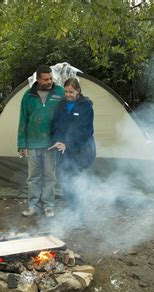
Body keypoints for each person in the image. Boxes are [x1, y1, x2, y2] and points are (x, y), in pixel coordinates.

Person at [17, 65, 64, 217]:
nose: (49, 81)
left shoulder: (60, 92)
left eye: (51, 78)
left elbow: (72, 106)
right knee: (33, 177)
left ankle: (48, 205)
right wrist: (21, 144)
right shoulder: (28, 96)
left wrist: (85, 102)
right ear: (37, 79)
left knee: (50, 176)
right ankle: (33, 205)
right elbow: (23, 120)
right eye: (45, 79)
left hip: (52, 144)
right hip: (33, 143)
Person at [49, 77, 96, 212]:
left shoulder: (86, 106)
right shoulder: (61, 104)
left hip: (82, 151)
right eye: (66, 92)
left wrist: (67, 144)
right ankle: (70, 210)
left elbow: (85, 131)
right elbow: (55, 125)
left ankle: (79, 213)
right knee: (66, 180)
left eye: (71, 92)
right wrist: (56, 140)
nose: (68, 95)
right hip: (64, 151)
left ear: (78, 91)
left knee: (78, 181)